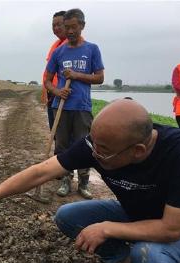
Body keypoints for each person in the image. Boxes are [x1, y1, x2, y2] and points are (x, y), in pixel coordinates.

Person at [0, 99, 180, 263]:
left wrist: (106, 228)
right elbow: (41, 171)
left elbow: (172, 228)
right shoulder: (99, 144)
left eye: (102, 150)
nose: (94, 153)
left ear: (137, 150)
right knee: (68, 216)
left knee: (149, 255)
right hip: (138, 212)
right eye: (93, 143)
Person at [44, 8, 104, 199]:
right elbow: (47, 80)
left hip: (82, 106)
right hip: (61, 107)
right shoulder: (59, 52)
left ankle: (84, 183)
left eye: (73, 27)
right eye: (66, 27)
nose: (69, 31)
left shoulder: (92, 49)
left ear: (82, 26)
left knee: (84, 145)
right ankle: (65, 180)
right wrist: (57, 91)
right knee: (62, 146)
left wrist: (76, 75)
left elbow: (100, 78)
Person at [41, 10, 67, 131]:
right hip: (52, 93)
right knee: (55, 132)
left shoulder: (73, 46)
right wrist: (47, 92)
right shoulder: (56, 45)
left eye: (59, 24)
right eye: (53, 25)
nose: (56, 28)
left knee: (63, 132)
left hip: (64, 95)